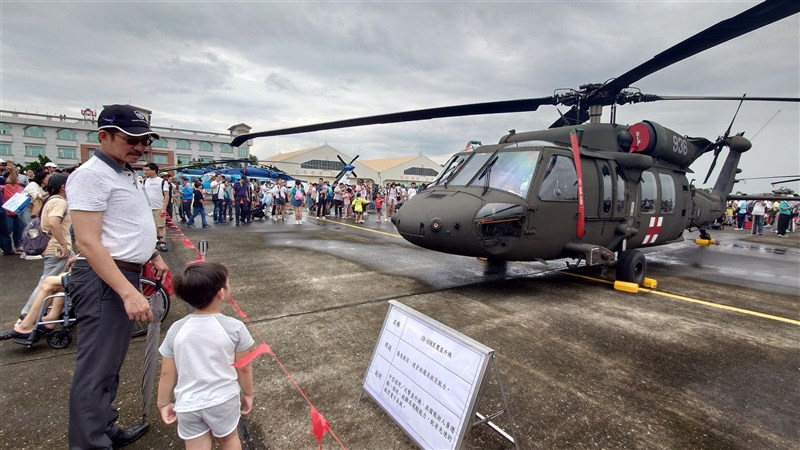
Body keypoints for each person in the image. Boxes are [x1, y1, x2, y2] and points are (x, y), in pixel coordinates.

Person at [66, 104, 169, 449]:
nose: (140, 147)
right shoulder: (91, 175)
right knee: (96, 369)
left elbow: (122, 228)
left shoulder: (124, 172)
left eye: (145, 141)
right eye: (132, 139)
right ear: (104, 137)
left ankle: (103, 427)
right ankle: (90, 443)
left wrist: (151, 254)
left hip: (121, 274)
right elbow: (88, 241)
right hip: (103, 281)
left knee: (109, 365)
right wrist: (128, 292)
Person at [157, 261, 255, 450]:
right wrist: (248, 393)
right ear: (221, 292)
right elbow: (244, 367)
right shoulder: (235, 328)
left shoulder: (176, 330)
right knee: (229, 439)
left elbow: (167, 374)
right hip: (223, 400)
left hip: (188, 403)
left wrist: (163, 403)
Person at [19, 173, 73, 317]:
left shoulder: (51, 200)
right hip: (56, 248)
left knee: (57, 281)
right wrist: (63, 244)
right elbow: (54, 223)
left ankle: (53, 310)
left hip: (53, 247)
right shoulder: (59, 202)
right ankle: (29, 313)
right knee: (48, 283)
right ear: (63, 186)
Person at [142, 163, 170, 251]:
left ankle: (162, 244)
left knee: (160, 226)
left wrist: (164, 208)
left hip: (158, 208)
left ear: (154, 171)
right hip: (147, 209)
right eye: (145, 170)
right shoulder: (144, 181)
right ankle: (152, 244)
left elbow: (166, 196)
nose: (145, 172)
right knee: (150, 227)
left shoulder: (162, 182)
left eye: (147, 170)